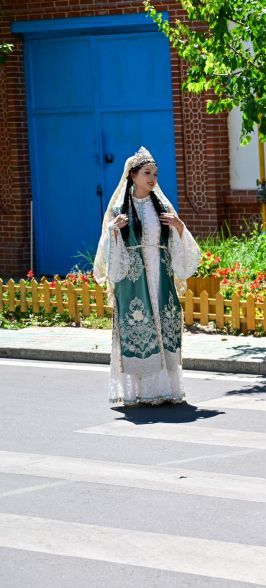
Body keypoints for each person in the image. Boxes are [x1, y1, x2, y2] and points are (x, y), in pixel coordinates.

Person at [93, 147, 201, 407]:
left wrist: (179, 227)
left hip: (160, 276)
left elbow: (175, 244)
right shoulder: (119, 209)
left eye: (155, 173)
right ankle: (143, 391)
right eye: (147, 173)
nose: (152, 178)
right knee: (142, 326)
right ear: (132, 175)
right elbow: (108, 247)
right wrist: (113, 230)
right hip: (134, 279)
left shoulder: (161, 205)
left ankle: (167, 389)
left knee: (164, 326)